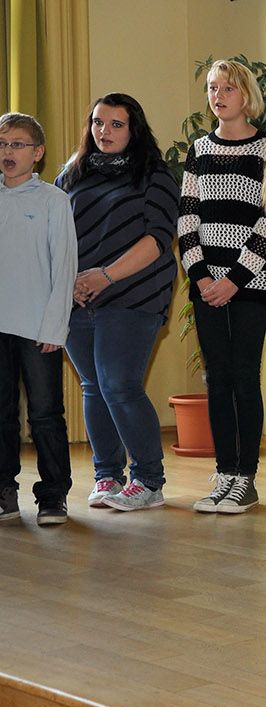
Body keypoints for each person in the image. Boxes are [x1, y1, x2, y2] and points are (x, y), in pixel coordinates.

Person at [59, 95, 180, 512]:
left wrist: (105, 276)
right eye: (98, 122)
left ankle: (148, 480)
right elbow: (56, 235)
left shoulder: (155, 174)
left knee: (119, 385)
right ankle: (107, 476)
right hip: (77, 297)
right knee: (94, 387)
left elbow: (157, 239)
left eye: (116, 124)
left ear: (134, 130)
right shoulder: (72, 174)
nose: (104, 131)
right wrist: (69, 283)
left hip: (134, 294)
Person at [179, 60, 266, 515]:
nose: (218, 96)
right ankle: (224, 474)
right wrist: (202, 277)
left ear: (247, 95)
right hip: (205, 284)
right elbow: (187, 219)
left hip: (251, 284)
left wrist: (234, 280)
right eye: (212, 88)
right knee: (216, 378)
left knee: (243, 376)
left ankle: (246, 479)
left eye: (228, 88)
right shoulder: (199, 149)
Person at [0, 113, 76, 525]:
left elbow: (63, 267)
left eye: (17, 144)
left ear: (38, 152)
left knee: (45, 413)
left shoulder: (53, 200)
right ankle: (4, 490)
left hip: (37, 327)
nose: (8, 152)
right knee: (2, 413)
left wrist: (54, 326)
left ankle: (52, 495)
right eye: (2, 144)